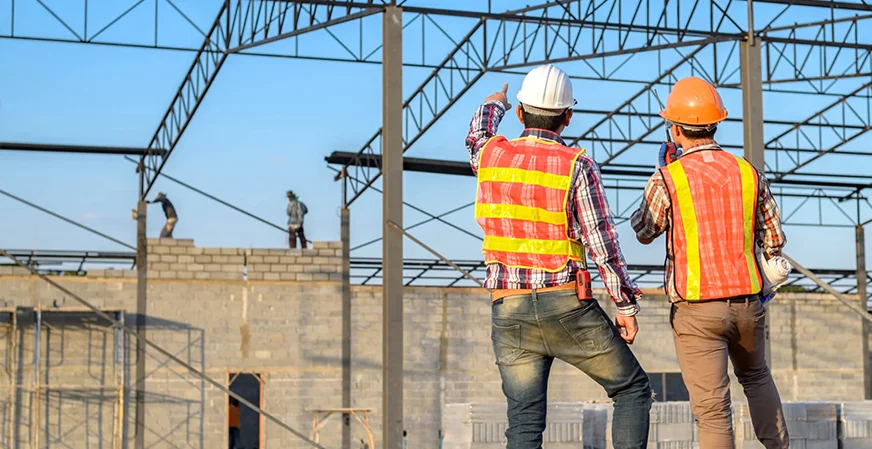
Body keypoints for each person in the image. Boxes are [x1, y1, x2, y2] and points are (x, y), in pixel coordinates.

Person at [465, 64, 652, 449]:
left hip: (509, 309)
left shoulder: (491, 156)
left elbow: (477, 136)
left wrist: (492, 104)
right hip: (567, 306)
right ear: (568, 116)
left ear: (520, 113)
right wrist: (625, 307)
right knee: (632, 390)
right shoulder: (576, 164)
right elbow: (602, 243)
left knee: (524, 425)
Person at [630, 76, 789, 449]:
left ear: (674, 129)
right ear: (716, 123)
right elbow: (776, 238)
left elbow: (643, 230)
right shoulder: (749, 172)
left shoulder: (668, 179)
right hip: (748, 305)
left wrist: (660, 179)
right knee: (757, 378)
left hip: (698, 311)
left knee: (714, 411)